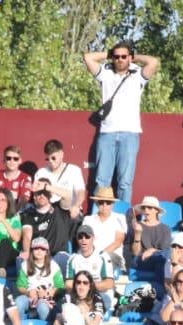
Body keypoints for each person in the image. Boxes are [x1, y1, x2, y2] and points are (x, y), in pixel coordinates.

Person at [83, 43, 160, 205]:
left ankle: (123, 219)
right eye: (116, 56)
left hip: (129, 134)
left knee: (125, 182)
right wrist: (109, 54)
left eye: (123, 56)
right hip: (107, 133)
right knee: (101, 180)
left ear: (130, 57)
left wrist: (134, 56)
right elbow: (87, 57)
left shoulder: (138, 74)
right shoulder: (105, 73)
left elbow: (153, 62)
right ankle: (98, 219)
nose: (120, 60)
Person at [15, 237, 64, 322]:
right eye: (36, 248)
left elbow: (60, 286)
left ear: (46, 252)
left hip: (47, 299)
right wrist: (28, 292)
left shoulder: (54, 266)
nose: (39, 251)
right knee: (18, 302)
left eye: (42, 249)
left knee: (42, 307)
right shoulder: (25, 265)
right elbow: (20, 286)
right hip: (30, 297)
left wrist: (49, 292)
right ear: (32, 250)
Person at [82, 187, 127, 275]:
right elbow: (84, 240)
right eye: (101, 202)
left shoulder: (120, 218)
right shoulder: (88, 219)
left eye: (108, 202)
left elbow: (118, 242)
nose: (105, 205)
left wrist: (99, 256)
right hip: (91, 255)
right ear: (97, 203)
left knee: (106, 260)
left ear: (113, 204)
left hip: (112, 255)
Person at [38, 139, 85, 217]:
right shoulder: (41, 172)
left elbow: (80, 193)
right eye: (47, 159)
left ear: (61, 155)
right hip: (48, 212)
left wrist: (76, 206)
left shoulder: (74, 170)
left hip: (68, 211)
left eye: (53, 158)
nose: (50, 161)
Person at [127, 196, 172, 274]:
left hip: (159, 259)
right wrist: (138, 234)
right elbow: (135, 253)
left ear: (156, 211)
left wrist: (152, 251)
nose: (146, 210)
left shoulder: (165, 229)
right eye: (144, 208)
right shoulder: (138, 226)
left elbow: (165, 251)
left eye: (150, 208)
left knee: (162, 260)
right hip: (142, 260)